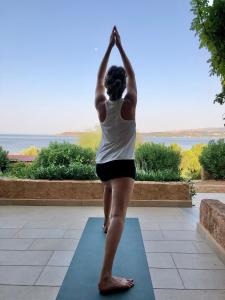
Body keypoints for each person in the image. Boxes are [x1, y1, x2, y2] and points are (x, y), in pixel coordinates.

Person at [95, 25, 137, 294]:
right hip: (123, 165)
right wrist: (120, 46)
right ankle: (106, 278)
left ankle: (104, 223)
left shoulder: (100, 105)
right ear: (122, 87)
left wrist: (109, 47)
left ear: (108, 86)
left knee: (108, 187)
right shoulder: (129, 103)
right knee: (120, 214)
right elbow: (132, 74)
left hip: (103, 165)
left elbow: (98, 79)